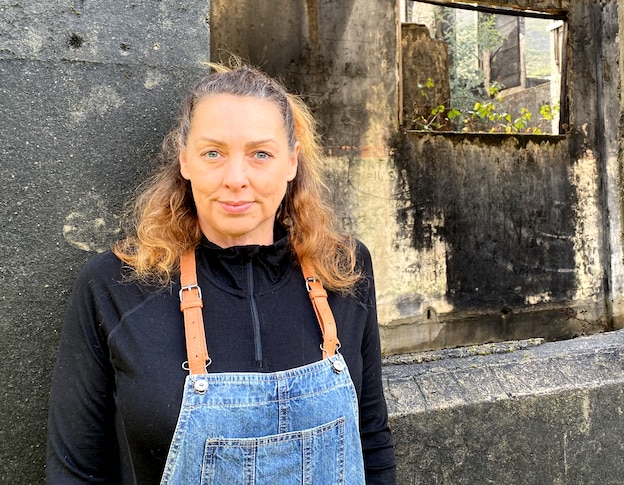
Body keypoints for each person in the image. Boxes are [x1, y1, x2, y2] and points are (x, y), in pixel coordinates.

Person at [46, 64, 396, 484]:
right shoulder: (114, 285)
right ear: (185, 160)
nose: (235, 179)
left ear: (291, 162)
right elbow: (75, 471)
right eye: (213, 153)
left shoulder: (344, 269)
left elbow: (371, 439)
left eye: (260, 154)